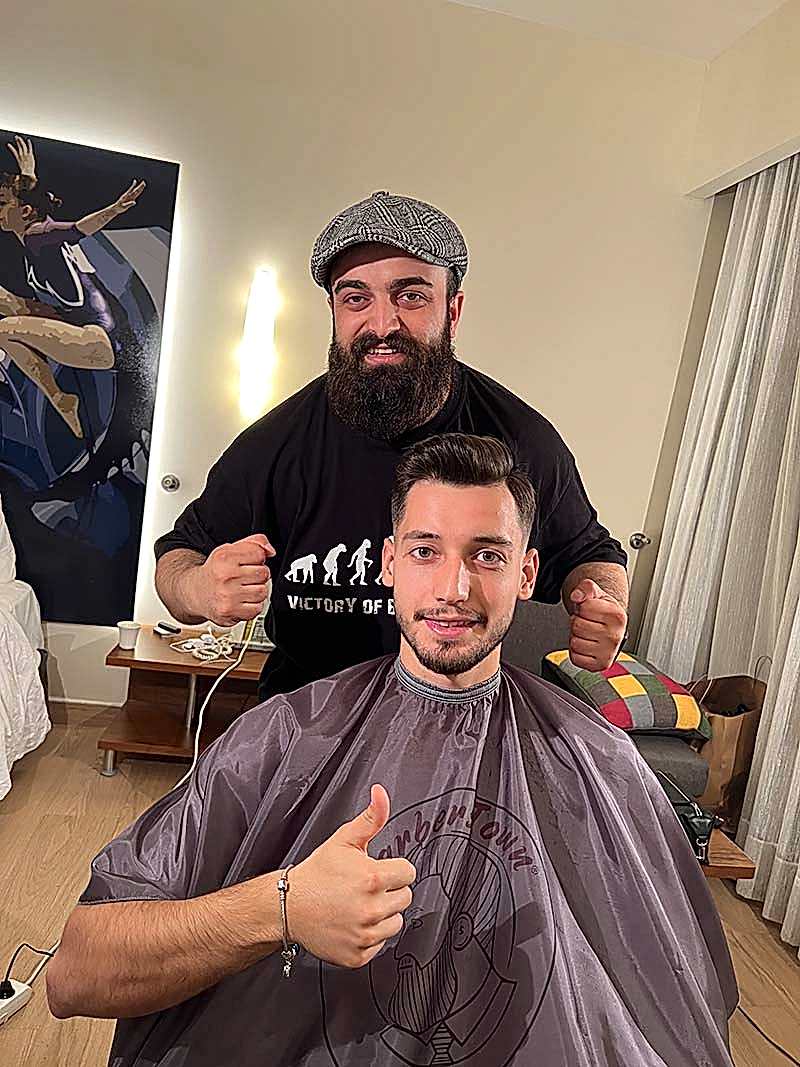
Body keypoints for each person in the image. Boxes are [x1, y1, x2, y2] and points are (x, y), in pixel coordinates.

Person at [48, 434, 737, 1067]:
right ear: (388, 563)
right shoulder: (283, 738)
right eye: (425, 551)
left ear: (528, 573)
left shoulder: (598, 758)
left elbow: (681, 1001)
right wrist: (281, 907)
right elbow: (77, 971)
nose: (453, 589)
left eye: (487, 555)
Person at [154, 191, 628, 702]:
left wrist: (601, 604)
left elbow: (592, 555)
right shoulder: (273, 447)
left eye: (410, 296)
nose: (382, 325)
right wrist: (199, 589)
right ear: (334, 309)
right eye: (356, 298)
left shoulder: (522, 442)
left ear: (452, 310)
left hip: (457, 715)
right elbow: (178, 562)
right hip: (306, 718)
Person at [0, 135, 145, 437]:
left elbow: (78, 229)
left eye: (2, 204)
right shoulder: (34, 234)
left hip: (101, 342)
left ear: (24, 211)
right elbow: (36, 203)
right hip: (76, 324)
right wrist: (28, 176)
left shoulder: (38, 236)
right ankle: (62, 400)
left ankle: (61, 401)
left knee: (3, 330)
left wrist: (115, 209)